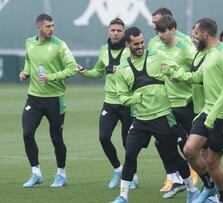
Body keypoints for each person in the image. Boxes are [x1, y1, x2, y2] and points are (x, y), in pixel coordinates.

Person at [110, 26, 198, 203]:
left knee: (173, 155)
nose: (140, 46)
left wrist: (174, 74)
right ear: (127, 45)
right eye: (136, 44)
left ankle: (192, 190)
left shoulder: (156, 56)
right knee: (130, 155)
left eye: (142, 42)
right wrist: (135, 98)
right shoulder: (122, 69)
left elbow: (174, 67)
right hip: (140, 120)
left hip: (162, 116)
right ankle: (123, 196)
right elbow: (121, 98)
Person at [163, 18, 223, 203]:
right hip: (207, 112)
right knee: (189, 150)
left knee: (212, 161)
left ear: (205, 34)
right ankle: (210, 186)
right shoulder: (209, 53)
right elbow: (199, 77)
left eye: (196, 33)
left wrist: (212, 115)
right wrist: (175, 73)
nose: (193, 37)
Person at [76, 18, 137, 189]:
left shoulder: (130, 49)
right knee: (103, 137)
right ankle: (118, 169)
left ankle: (132, 176)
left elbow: (137, 71)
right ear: (108, 31)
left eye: (119, 30)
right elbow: (98, 72)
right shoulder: (103, 50)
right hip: (109, 102)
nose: (116, 33)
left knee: (128, 143)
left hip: (127, 102)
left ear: (124, 32)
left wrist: (123, 71)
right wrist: (85, 73)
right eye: (113, 30)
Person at [19, 14, 77, 188]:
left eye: (53, 25)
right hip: (34, 98)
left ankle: (61, 174)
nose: (52, 29)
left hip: (55, 100)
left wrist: (51, 77)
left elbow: (72, 68)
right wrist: (26, 72)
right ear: (39, 28)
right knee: (27, 134)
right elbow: (29, 60)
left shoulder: (60, 45)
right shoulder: (29, 42)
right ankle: (36, 173)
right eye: (48, 26)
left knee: (56, 138)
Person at [148, 7, 198, 193]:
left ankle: (217, 183)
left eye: (160, 26)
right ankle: (177, 177)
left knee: (196, 146)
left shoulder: (186, 46)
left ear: (172, 26)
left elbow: (197, 72)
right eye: (155, 26)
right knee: (162, 142)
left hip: (186, 102)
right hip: (166, 104)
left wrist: (179, 74)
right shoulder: (156, 46)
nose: (157, 30)